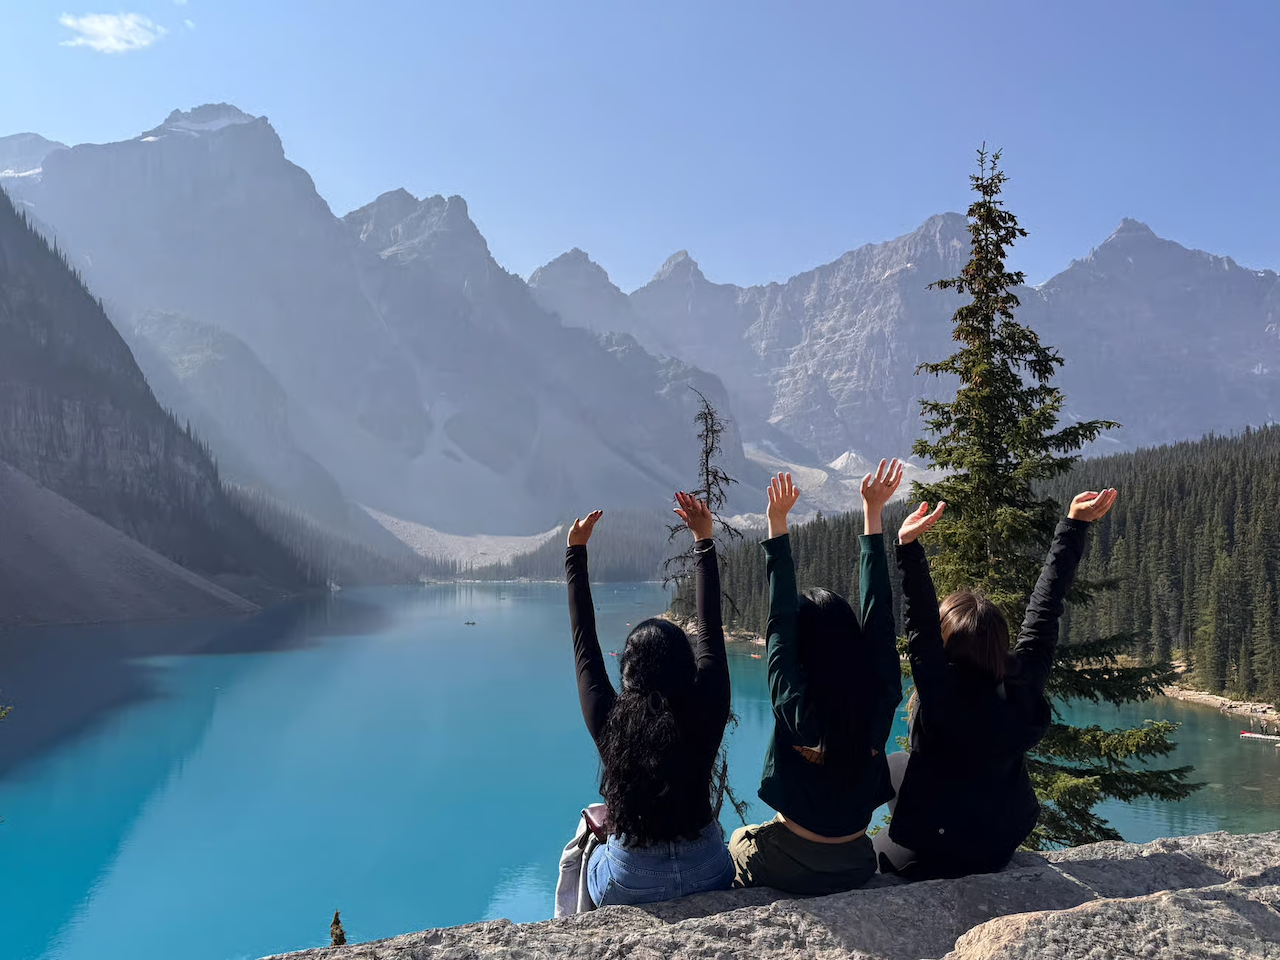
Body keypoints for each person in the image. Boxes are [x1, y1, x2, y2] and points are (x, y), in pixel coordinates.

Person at [874, 488, 1119, 880]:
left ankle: (914, 860)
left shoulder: (941, 696)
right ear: (1001, 643)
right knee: (897, 764)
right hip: (1000, 844)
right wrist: (1073, 525)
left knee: (877, 848)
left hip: (942, 846)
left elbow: (920, 625)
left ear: (945, 647)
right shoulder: (1021, 684)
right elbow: (1045, 610)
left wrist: (909, 548)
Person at [729, 462, 904, 894]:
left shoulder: (795, 703)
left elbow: (780, 626)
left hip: (792, 861)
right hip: (857, 860)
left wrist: (776, 523)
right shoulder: (880, 698)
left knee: (736, 840)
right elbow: (880, 620)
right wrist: (873, 513)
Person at [564, 493, 734, 907]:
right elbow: (710, 628)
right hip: (709, 868)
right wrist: (703, 539)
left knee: (584, 846)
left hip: (631, 880)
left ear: (628, 675)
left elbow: (584, 642)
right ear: (687, 668)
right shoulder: (707, 704)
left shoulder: (611, 719)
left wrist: (576, 554)